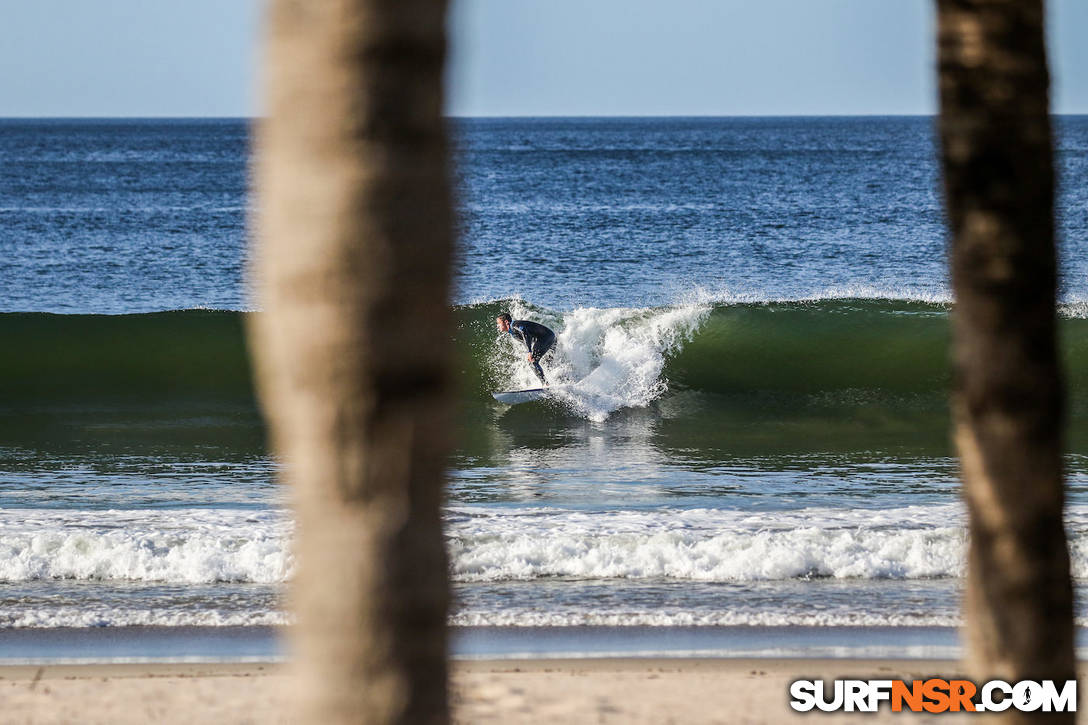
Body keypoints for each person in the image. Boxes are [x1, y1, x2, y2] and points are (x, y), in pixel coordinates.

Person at [496, 313, 556, 386]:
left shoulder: (514, 325)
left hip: (546, 337)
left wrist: (529, 351)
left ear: (506, 322)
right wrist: (529, 351)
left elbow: (525, 332)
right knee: (548, 364)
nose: (497, 326)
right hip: (550, 337)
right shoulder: (513, 333)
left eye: (499, 323)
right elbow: (526, 340)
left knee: (532, 361)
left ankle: (545, 384)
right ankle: (558, 380)